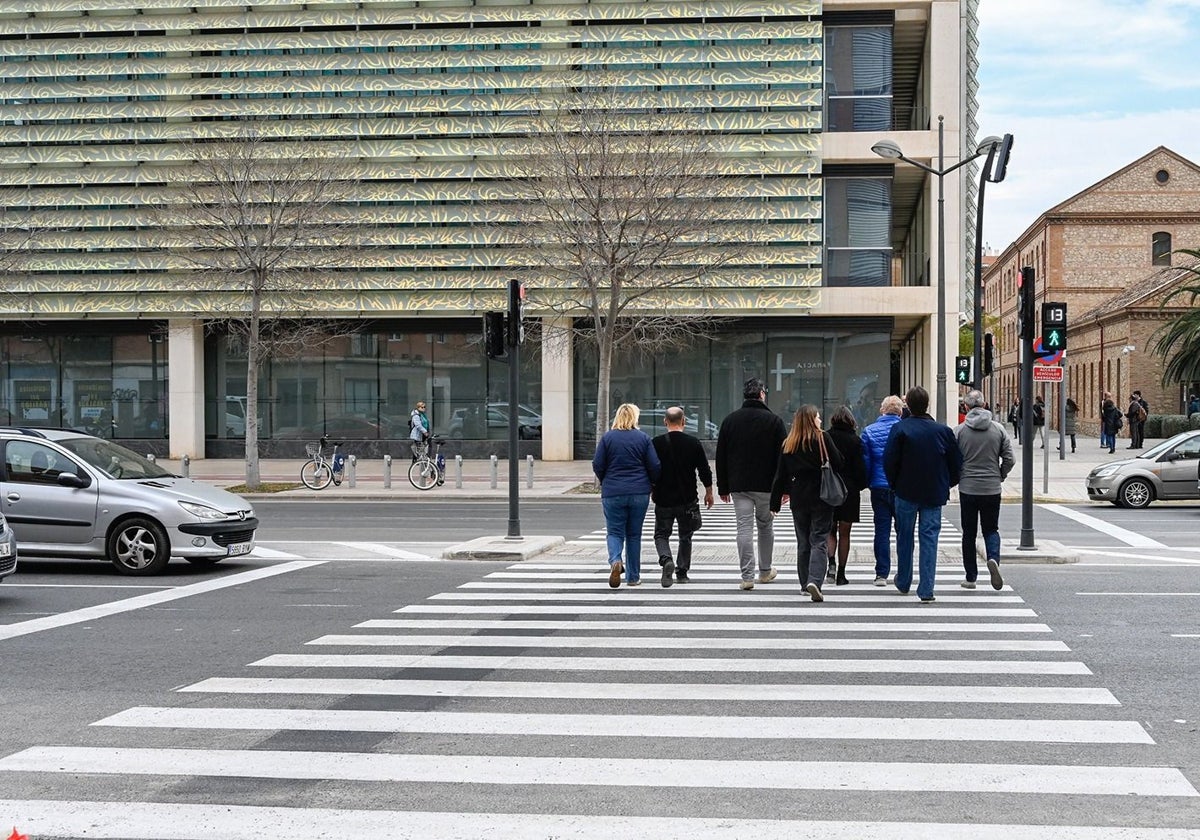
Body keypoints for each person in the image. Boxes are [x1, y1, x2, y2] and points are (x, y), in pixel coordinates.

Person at [883, 386, 962, 603]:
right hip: (934, 492)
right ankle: (926, 588)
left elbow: (889, 461)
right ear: (927, 405)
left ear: (908, 405)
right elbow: (956, 464)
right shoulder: (943, 431)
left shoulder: (900, 429)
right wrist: (946, 483)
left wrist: (895, 484)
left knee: (904, 536)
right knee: (929, 539)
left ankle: (904, 580)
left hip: (905, 491)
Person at [716, 377, 787, 590]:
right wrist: (784, 487)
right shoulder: (774, 421)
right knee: (766, 526)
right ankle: (765, 571)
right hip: (767, 485)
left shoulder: (730, 421)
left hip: (740, 485)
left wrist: (723, 486)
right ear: (762, 394)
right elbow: (783, 456)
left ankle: (747, 576)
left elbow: (721, 455)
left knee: (744, 528)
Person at [770, 405, 843, 603]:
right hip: (822, 495)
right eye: (818, 417)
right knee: (819, 539)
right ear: (812, 420)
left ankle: (804, 584)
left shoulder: (789, 443)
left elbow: (780, 474)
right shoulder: (822, 438)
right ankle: (815, 581)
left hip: (799, 497)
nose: (820, 420)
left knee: (803, 541)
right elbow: (838, 462)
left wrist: (775, 502)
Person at [593, 403, 661, 589]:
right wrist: (652, 483)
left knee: (614, 531)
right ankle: (633, 577)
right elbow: (654, 465)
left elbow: (597, 464)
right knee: (633, 534)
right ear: (635, 417)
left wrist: (606, 479)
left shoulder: (608, 438)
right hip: (639, 492)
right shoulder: (643, 438)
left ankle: (615, 560)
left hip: (613, 491)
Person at [954, 390, 1014, 591]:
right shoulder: (998, 430)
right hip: (991, 487)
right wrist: (1000, 475)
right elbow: (1010, 458)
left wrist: (957, 476)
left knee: (968, 532)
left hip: (968, 487)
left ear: (966, 407)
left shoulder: (960, 431)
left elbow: (952, 458)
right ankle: (993, 558)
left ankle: (971, 577)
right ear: (985, 404)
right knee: (991, 528)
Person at [651, 406, 714, 587]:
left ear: (665, 421)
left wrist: (651, 488)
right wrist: (709, 492)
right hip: (687, 498)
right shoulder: (693, 443)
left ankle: (666, 559)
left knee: (661, 534)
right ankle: (682, 571)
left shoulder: (656, 443)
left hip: (663, 498)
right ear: (684, 421)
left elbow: (651, 469)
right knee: (685, 535)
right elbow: (704, 470)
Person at [861, 395, 904, 586]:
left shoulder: (869, 431)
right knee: (903, 530)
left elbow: (866, 462)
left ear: (882, 410)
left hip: (878, 486)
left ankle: (881, 573)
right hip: (901, 487)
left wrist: (868, 481)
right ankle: (904, 570)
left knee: (881, 530)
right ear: (900, 412)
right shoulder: (905, 430)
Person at [825, 405, 867, 586]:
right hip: (849, 490)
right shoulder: (855, 441)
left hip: (829, 488)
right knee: (845, 533)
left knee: (830, 529)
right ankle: (841, 574)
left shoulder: (825, 437)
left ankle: (831, 564)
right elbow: (860, 468)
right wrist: (861, 485)